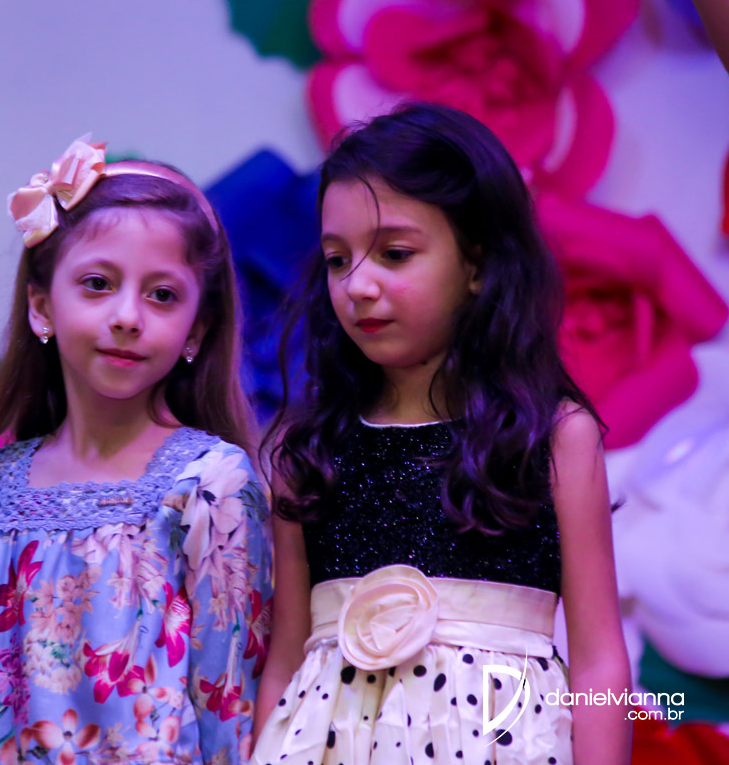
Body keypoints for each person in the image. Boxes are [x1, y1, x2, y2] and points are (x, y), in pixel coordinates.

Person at [252, 104, 630, 764]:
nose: (357, 285)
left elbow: (600, 663)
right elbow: (286, 660)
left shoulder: (552, 436)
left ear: (478, 264)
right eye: (338, 260)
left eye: (394, 253)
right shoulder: (306, 451)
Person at [0, 136, 272, 765]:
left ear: (196, 331)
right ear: (41, 306)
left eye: (162, 295)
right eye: (97, 284)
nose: (127, 316)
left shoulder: (209, 484)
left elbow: (229, 710)